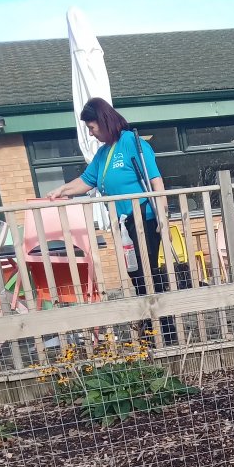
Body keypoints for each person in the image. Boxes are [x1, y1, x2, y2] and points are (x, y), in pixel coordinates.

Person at [47, 97, 174, 340]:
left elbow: (155, 180)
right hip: (124, 223)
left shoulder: (131, 143)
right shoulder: (104, 153)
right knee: (135, 273)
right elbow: (86, 181)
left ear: (104, 121)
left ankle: (163, 330)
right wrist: (61, 190)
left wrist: (163, 215)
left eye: (92, 128)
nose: (92, 134)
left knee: (147, 272)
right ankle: (151, 325)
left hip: (144, 218)